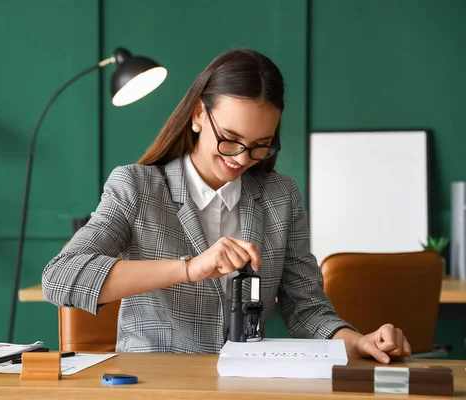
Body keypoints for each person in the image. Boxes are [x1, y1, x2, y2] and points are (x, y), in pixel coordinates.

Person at [42, 48, 411, 364]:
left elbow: (307, 309)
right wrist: (190, 268)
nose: (242, 158)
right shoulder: (137, 187)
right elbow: (60, 279)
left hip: (245, 387)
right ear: (199, 115)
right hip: (152, 385)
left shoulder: (280, 196)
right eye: (230, 139)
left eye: (260, 145)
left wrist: (357, 341)